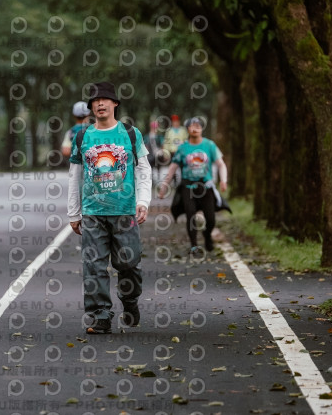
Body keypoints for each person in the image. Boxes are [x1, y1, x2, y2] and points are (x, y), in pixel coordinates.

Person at [67, 82, 153, 334]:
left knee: (129, 263)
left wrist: (143, 201)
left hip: (125, 211)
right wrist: (74, 212)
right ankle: (100, 315)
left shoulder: (131, 134)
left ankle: (130, 301)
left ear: (115, 103)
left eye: (104, 99)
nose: (100, 104)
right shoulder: (83, 136)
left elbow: (144, 170)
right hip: (93, 212)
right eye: (95, 101)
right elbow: (74, 175)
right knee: (93, 266)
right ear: (91, 107)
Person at [158, 117, 228, 255]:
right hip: (188, 187)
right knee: (191, 216)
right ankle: (194, 245)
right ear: (187, 129)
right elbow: (173, 168)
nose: (195, 129)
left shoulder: (209, 145)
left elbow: (221, 164)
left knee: (211, 219)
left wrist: (223, 180)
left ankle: (207, 235)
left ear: (202, 128)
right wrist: (164, 186)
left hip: (206, 187)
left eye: (198, 126)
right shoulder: (182, 148)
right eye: (192, 126)